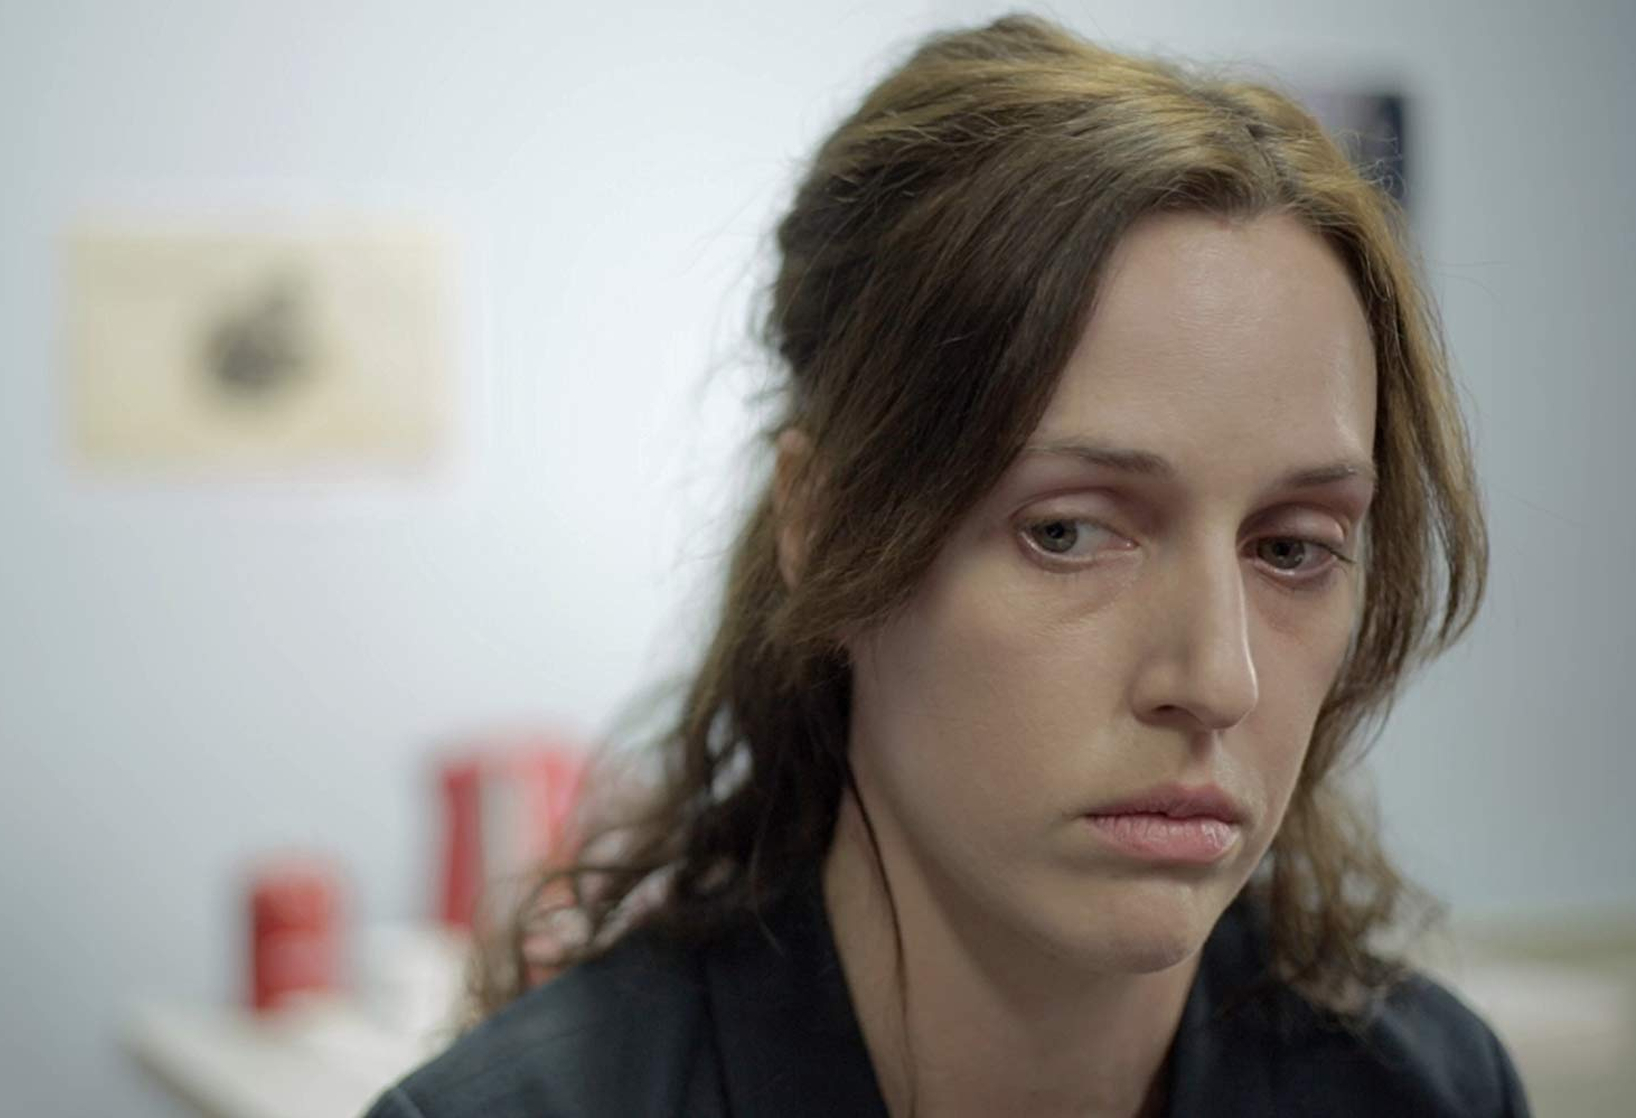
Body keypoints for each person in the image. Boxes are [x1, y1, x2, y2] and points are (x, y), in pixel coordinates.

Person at [366, 13, 1528, 1117]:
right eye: (1067, 531)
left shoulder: (1427, 1089)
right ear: (822, 520)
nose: (1218, 679)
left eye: (1291, 547)